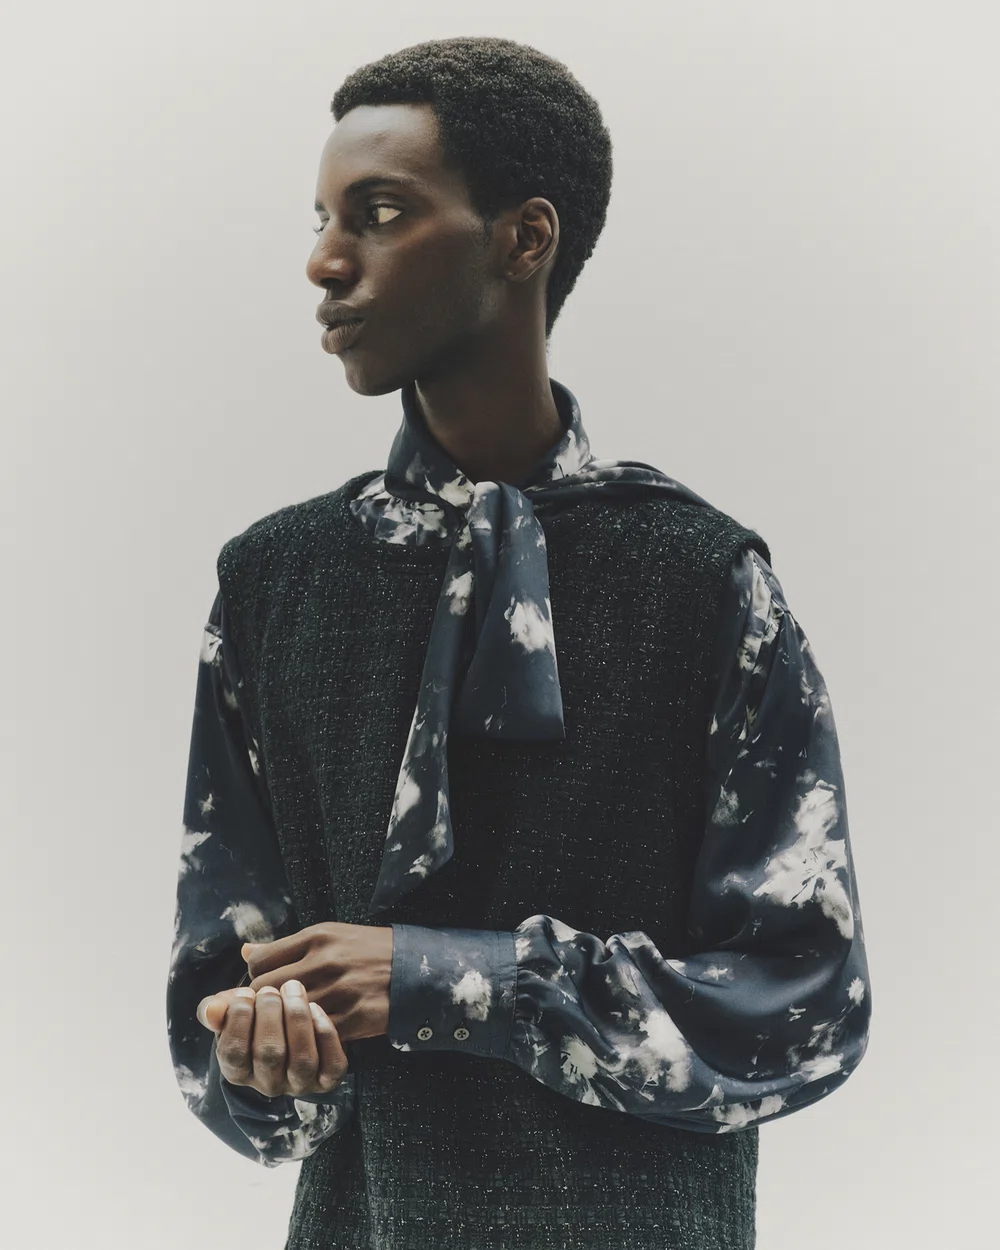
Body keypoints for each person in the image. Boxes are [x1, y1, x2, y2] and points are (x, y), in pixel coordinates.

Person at [166, 35, 871, 1250]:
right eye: (323, 220)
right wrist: (265, 1057)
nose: (325, 259)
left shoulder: (703, 579)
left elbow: (804, 1004)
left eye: (379, 213)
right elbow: (220, 1014)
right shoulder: (273, 582)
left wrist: (456, 979)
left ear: (523, 239)